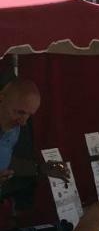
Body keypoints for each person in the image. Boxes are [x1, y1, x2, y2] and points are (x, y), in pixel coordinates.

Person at [0, 79, 67, 207]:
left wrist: (40, 168)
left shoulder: (14, 129)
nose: (23, 122)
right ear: (1, 98)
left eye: (29, 115)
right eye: (19, 112)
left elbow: (5, 160)